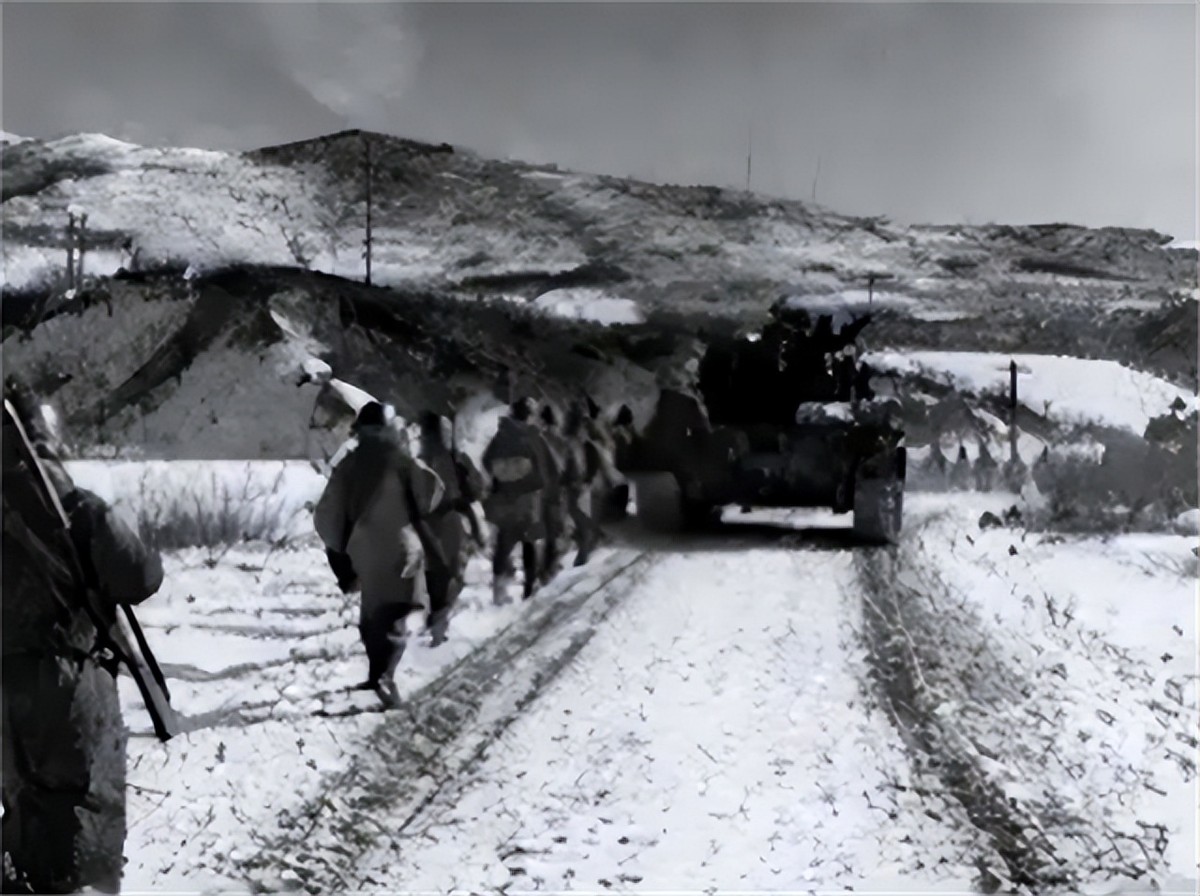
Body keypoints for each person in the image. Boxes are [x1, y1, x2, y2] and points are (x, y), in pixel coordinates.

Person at [3, 381, 166, 895]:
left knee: (25, 804)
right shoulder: (72, 505)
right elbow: (139, 577)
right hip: (64, 679)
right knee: (82, 816)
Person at [314, 401, 444, 707]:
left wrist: (341, 550)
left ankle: (377, 675)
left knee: (372, 611)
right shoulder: (401, 461)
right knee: (396, 609)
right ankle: (384, 677)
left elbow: (326, 515)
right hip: (401, 544)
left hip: (363, 547)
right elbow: (433, 489)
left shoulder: (348, 465)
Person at [416, 411, 485, 646]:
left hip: (422, 524)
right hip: (448, 520)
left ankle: (434, 620)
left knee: (434, 574)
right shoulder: (454, 459)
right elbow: (476, 489)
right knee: (452, 575)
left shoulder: (416, 461)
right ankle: (437, 627)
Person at [482, 398, 554, 602]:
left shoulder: (501, 435)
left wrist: (500, 478)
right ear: (529, 414)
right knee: (529, 542)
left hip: (504, 498)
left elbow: (487, 460)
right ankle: (529, 588)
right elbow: (544, 468)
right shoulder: (532, 436)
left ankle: (498, 591)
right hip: (527, 499)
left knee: (503, 542)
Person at [536, 404, 570, 584]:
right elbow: (565, 469)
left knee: (546, 533)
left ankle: (544, 570)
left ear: (542, 421)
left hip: (542, 493)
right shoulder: (560, 442)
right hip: (556, 492)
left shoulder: (539, 441)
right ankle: (549, 568)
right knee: (554, 531)